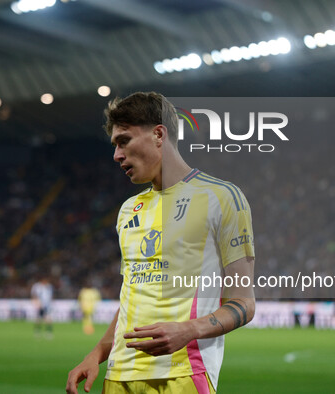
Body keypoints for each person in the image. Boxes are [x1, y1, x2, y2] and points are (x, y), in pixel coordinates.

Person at [66, 92, 255, 394]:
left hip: (183, 374)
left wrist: (189, 330)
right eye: (115, 145)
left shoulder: (221, 198)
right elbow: (133, 296)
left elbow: (244, 304)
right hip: (118, 375)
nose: (116, 155)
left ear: (158, 134)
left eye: (123, 141)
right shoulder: (129, 210)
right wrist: (98, 353)